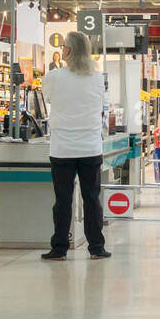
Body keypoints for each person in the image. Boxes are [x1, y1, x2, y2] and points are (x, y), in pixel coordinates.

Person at [41, 31, 111, 260]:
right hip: (90, 147)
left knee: (62, 200)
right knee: (92, 199)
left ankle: (59, 248)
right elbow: (101, 104)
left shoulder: (53, 77)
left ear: (68, 51)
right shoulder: (98, 78)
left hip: (62, 148)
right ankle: (96, 248)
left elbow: (48, 99)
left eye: (63, 47)